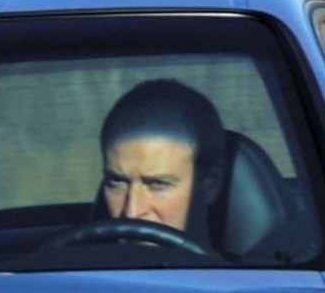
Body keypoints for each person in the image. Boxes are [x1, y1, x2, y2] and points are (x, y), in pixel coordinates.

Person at [94, 79, 230, 248]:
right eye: (117, 182)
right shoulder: (76, 271)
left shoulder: (257, 273)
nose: (132, 212)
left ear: (211, 183)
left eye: (157, 184)